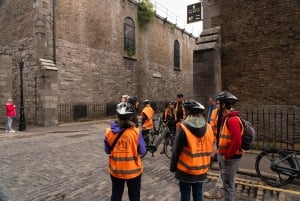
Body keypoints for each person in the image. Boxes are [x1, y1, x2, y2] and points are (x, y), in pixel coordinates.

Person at [170, 99, 214, 201]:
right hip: (201, 169)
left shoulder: (184, 127)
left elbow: (176, 150)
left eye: (185, 110)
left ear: (189, 112)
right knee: (198, 195)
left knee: (185, 195)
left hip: (186, 170)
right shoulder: (208, 127)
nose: (183, 112)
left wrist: (173, 167)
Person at [104, 102, 146, 201]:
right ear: (131, 117)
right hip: (133, 171)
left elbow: (107, 150)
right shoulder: (136, 132)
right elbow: (143, 150)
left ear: (117, 115)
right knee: (134, 196)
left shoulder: (109, 132)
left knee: (116, 195)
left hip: (116, 169)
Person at [214, 91, 243, 201]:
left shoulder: (232, 120)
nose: (216, 105)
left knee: (228, 186)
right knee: (227, 184)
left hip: (230, 158)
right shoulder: (226, 117)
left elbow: (237, 141)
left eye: (218, 103)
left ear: (223, 105)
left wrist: (227, 156)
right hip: (225, 156)